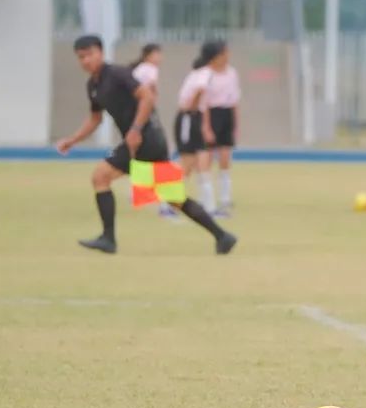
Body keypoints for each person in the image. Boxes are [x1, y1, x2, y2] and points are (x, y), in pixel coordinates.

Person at [54, 35, 238, 256]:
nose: (85, 60)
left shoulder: (117, 74)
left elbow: (147, 97)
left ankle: (108, 239)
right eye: (81, 57)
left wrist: (135, 130)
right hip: (139, 142)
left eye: (90, 54)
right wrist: (73, 140)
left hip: (147, 139)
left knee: (100, 177)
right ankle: (222, 236)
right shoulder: (93, 85)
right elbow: (95, 118)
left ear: (101, 53)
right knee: (173, 197)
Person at [130, 43, 177, 220]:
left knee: (140, 153)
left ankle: (141, 194)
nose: (160, 58)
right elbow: (150, 91)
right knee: (160, 154)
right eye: (157, 54)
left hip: (136, 114)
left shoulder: (140, 69)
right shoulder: (149, 69)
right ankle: (166, 204)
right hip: (145, 114)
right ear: (148, 55)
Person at [197, 40, 242, 216]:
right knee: (206, 156)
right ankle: (205, 197)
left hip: (226, 113)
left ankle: (225, 197)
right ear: (215, 56)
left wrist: (236, 124)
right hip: (211, 113)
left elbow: (235, 100)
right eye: (224, 53)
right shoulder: (206, 74)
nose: (227, 56)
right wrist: (206, 126)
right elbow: (204, 103)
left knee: (225, 157)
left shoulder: (232, 73)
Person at [174, 52, 216, 194]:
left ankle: (208, 205)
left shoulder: (197, 73)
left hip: (194, 116)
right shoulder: (205, 72)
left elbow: (204, 103)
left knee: (202, 159)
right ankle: (168, 200)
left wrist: (206, 125)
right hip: (189, 117)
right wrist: (192, 108)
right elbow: (200, 89)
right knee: (188, 161)